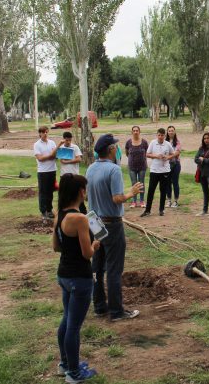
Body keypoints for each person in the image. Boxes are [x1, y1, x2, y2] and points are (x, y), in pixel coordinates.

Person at [87, 134, 143, 322]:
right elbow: (116, 198)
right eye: (116, 147)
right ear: (111, 150)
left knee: (97, 266)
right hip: (111, 223)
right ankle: (117, 311)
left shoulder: (90, 168)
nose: (117, 150)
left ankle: (99, 306)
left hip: (94, 223)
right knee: (113, 269)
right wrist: (131, 193)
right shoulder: (113, 170)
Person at [52, 173, 99, 383]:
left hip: (64, 274)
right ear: (81, 191)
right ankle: (74, 373)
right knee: (74, 327)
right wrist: (96, 244)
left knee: (67, 320)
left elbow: (55, 246)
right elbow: (87, 253)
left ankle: (65, 364)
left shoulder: (60, 214)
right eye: (85, 189)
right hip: (80, 277)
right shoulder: (80, 218)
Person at [141, 128, 175, 217]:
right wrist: (156, 156)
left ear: (164, 136)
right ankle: (147, 210)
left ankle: (161, 209)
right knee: (151, 190)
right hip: (154, 170)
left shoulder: (167, 144)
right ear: (157, 135)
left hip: (165, 170)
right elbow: (147, 154)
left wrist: (167, 157)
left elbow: (173, 154)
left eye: (162, 135)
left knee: (163, 190)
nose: (160, 137)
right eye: (159, 135)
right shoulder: (153, 142)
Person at [34, 126, 63, 223]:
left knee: (50, 191)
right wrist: (50, 156)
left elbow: (55, 155)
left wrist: (51, 156)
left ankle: (49, 210)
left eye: (46, 132)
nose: (45, 134)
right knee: (43, 192)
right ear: (40, 133)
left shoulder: (52, 143)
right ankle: (43, 211)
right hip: (43, 172)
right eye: (43, 132)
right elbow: (40, 158)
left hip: (52, 170)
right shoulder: (37, 145)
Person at [125, 126, 148, 209]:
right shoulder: (128, 142)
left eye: (137, 130)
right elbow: (127, 153)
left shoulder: (144, 142)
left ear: (139, 131)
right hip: (132, 167)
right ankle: (134, 201)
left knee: (141, 183)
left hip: (142, 166)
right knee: (134, 183)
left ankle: (142, 201)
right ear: (132, 132)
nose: (135, 132)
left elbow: (147, 152)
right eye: (134, 131)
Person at [166, 125, 182, 208]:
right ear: (167, 132)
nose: (171, 132)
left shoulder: (177, 142)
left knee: (175, 182)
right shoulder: (165, 142)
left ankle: (175, 200)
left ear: (174, 132)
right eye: (169, 131)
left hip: (176, 164)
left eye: (172, 130)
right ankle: (169, 200)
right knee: (167, 183)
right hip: (166, 165)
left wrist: (168, 156)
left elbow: (177, 152)